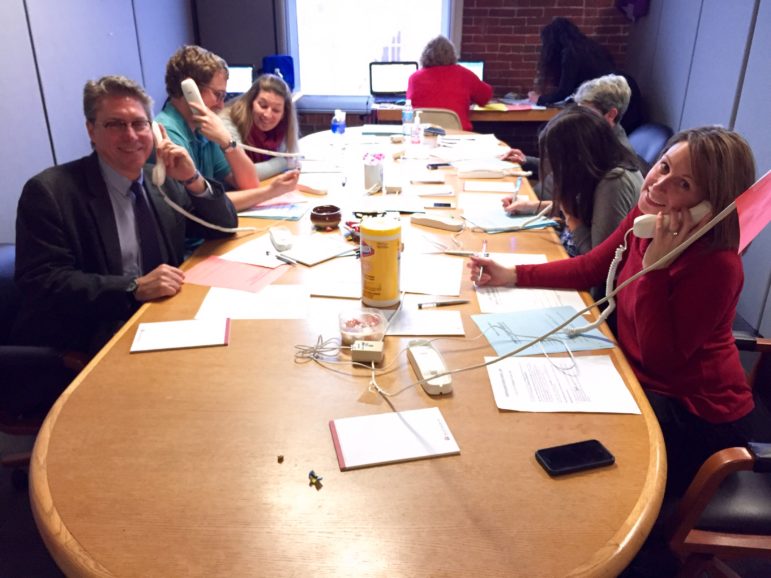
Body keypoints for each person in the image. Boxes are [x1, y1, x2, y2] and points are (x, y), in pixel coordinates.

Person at [470, 126, 769, 496]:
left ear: (710, 204)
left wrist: (654, 271)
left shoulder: (717, 266)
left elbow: (663, 361)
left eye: (684, 185)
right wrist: (512, 274)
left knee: (578, 480)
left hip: (694, 414)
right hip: (635, 383)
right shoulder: (648, 219)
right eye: (663, 167)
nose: (658, 186)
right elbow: (592, 266)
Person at [12, 75, 238, 383]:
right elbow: (43, 283)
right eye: (115, 124)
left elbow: (224, 229)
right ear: (91, 130)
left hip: (162, 322)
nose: (131, 135)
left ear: (154, 129)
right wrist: (134, 287)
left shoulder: (163, 182)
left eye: (139, 123)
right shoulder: (51, 192)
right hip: (95, 334)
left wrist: (193, 180)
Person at [156, 45, 298, 211]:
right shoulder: (167, 133)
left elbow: (248, 184)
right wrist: (271, 191)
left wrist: (227, 141)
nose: (222, 105)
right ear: (190, 90)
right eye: (218, 95)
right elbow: (201, 206)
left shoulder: (203, 129)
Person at [503, 106, 642, 257]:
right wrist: (531, 206)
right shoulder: (599, 168)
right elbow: (585, 210)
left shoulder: (615, 182)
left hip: (586, 274)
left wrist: (570, 216)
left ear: (578, 157)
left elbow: (598, 261)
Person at [504, 74, 636, 203]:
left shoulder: (613, 156)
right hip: (538, 202)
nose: (577, 116)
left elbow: (580, 209)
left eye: (586, 111)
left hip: (549, 215)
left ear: (610, 115)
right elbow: (565, 166)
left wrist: (534, 207)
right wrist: (526, 161)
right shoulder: (590, 136)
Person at [220, 73, 299, 180]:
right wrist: (284, 162)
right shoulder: (228, 122)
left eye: (276, 110)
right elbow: (242, 174)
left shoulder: (282, 126)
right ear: (250, 102)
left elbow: (290, 156)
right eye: (262, 105)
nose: (267, 115)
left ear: (283, 115)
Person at [407, 36, 493, 131]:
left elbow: (410, 104)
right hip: (459, 138)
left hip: (423, 137)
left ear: (425, 55)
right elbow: (486, 97)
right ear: (452, 55)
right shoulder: (465, 74)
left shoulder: (414, 78)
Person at [529, 17, 616, 106]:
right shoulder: (592, 47)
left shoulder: (571, 53)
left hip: (595, 102)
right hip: (610, 97)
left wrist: (539, 99)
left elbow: (564, 91)